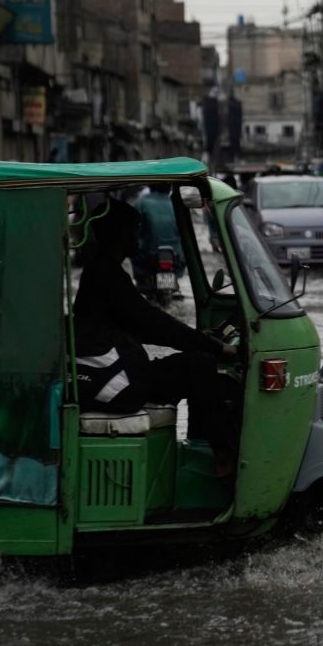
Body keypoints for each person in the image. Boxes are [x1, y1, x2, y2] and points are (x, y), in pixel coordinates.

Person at [73, 198, 239, 477]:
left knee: (193, 363)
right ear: (120, 234)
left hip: (112, 372)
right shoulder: (107, 275)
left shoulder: (101, 271)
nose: (137, 238)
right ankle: (226, 457)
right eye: (134, 231)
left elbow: (145, 324)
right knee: (198, 366)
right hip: (114, 380)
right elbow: (153, 323)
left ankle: (205, 450)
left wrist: (199, 339)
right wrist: (213, 346)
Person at [131, 184, 186, 292]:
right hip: (176, 254)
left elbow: (135, 229)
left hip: (149, 252)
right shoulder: (177, 203)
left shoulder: (141, 202)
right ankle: (174, 280)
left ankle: (143, 281)